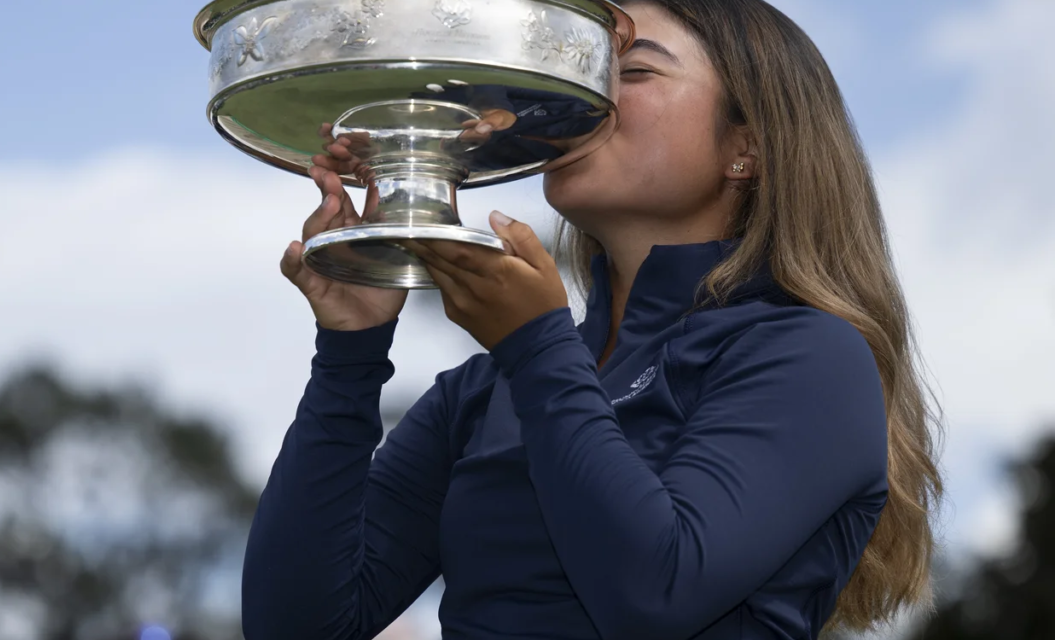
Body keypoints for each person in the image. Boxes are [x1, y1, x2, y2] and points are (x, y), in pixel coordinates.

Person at [249, 1, 945, 638]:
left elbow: (655, 594)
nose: (582, 96)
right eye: (574, 71)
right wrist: (350, 353)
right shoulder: (484, 391)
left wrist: (536, 347)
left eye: (633, 71)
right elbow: (295, 625)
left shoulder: (811, 357)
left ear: (749, 148)